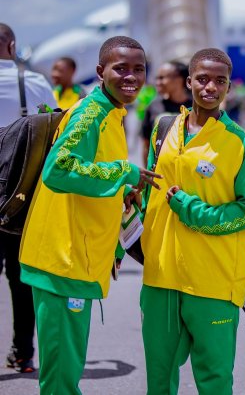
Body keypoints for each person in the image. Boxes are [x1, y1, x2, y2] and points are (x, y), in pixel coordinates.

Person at [18, 35, 160, 394]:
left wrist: (122, 193)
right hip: (62, 261)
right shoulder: (91, 113)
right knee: (61, 379)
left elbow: (90, 173)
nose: (131, 77)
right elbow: (59, 170)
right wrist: (123, 172)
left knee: (67, 370)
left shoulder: (112, 112)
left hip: (77, 259)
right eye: (121, 68)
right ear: (100, 71)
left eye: (139, 69)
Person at [140, 48, 245, 394]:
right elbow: (148, 194)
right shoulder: (163, 128)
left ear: (229, 87)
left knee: (214, 380)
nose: (211, 87)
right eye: (203, 79)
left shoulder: (240, 143)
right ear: (189, 82)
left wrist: (192, 210)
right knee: (159, 378)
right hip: (161, 276)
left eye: (220, 81)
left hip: (213, 280)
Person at [0, 23, 55, 373]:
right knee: (21, 277)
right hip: (18, 196)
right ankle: (22, 352)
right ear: (12, 47)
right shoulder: (33, 83)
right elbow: (56, 131)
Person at [140, 60, 191, 165]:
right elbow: (146, 145)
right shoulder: (154, 107)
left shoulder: (195, 108)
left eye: (162, 78)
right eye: (157, 78)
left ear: (179, 80)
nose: (157, 83)